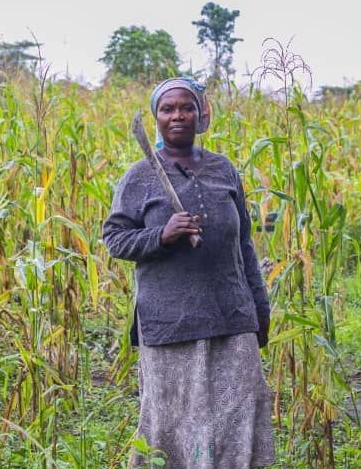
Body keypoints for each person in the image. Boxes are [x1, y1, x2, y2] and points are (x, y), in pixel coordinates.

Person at [102, 77, 275, 468]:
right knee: (173, 427)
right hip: (171, 325)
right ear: (157, 118)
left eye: (186, 107)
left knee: (237, 419)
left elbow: (244, 246)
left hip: (232, 319)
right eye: (167, 109)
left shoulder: (223, 170)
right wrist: (161, 236)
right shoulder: (140, 176)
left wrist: (259, 309)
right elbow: (115, 239)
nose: (177, 115)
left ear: (200, 115)